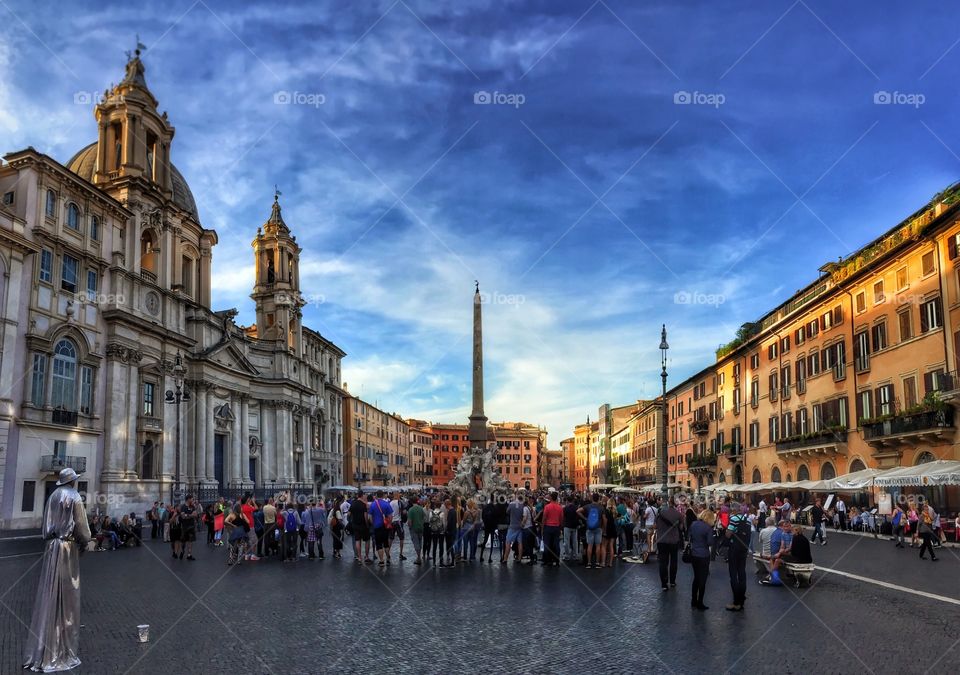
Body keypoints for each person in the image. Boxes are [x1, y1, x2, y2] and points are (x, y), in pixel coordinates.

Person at [23, 468, 92, 673]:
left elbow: (46, 525)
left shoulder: (53, 495)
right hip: (67, 548)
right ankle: (60, 650)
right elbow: (82, 527)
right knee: (68, 596)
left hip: (52, 547)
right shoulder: (74, 497)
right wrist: (85, 541)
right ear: (72, 481)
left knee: (49, 593)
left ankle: (43, 648)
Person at [724, 504, 752, 610]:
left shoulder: (733, 519)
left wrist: (727, 530)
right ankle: (742, 599)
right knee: (742, 573)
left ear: (733, 511)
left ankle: (736, 602)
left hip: (734, 549)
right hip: (744, 549)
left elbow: (728, 534)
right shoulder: (748, 520)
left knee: (733, 574)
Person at [689, 509, 715, 611]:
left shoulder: (693, 524)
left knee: (696, 577)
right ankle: (700, 602)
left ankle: (693, 600)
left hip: (694, 554)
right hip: (704, 555)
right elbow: (710, 542)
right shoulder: (708, 528)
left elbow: (689, 537)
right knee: (702, 579)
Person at [656, 497, 682, 590]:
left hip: (662, 540)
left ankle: (664, 584)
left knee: (663, 562)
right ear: (675, 504)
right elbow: (682, 527)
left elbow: (656, 526)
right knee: (673, 561)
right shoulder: (679, 514)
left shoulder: (660, 513)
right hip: (673, 540)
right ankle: (672, 581)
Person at [577, 493, 605, 568]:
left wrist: (585, 519)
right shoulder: (601, 507)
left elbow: (578, 511)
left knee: (590, 545)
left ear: (592, 498)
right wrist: (603, 527)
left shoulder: (588, 506)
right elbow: (604, 519)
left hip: (589, 528)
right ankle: (597, 563)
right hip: (598, 528)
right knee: (598, 545)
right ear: (598, 499)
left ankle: (589, 563)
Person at [369, 490, 394, 566]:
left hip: (377, 526)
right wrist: (389, 523)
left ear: (376, 495)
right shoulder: (387, 504)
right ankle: (388, 558)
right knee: (386, 543)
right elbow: (390, 516)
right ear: (383, 495)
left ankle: (381, 561)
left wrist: (373, 523)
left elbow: (369, 517)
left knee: (379, 544)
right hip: (385, 527)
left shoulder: (373, 504)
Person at [540, 492, 563, 566]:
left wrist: (542, 528)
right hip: (556, 527)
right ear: (556, 498)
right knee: (556, 544)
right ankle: (557, 561)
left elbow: (544, 518)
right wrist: (560, 528)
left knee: (547, 544)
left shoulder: (547, 507)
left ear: (550, 498)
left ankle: (547, 560)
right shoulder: (560, 507)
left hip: (548, 527)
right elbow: (561, 519)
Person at [504, 494, 526, 564]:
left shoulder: (511, 504)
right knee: (520, 543)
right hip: (520, 526)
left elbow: (507, 512)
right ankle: (519, 558)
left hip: (512, 526)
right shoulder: (523, 505)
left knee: (508, 542)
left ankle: (505, 559)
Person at [350, 494, 372, 564]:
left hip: (355, 525)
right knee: (367, 540)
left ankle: (359, 557)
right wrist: (367, 524)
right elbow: (365, 516)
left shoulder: (353, 504)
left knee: (357, 540)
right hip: (363, 525)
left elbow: (348, 514)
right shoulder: (363, 504)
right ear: (362, 496)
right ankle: (366, 556)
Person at [179, 495, 199, 561]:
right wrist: (191, 515)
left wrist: (187, 515)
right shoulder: (183, 507)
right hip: (185, 527)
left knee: (190, 541)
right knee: (183, 541)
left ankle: (189, 555)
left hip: (191, 526)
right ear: (188, 499)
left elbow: (195, 514)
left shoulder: (192, 506)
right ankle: (182, 551)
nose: (193, 500)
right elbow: (183, 516)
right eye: (192, 499)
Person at [388, 492, 407, 561]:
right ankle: (401, 554)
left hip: (392, 522)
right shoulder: (400, 502)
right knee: (401, 538)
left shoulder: (390, 503)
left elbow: (388, 513)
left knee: (391, 538)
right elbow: (404, 512)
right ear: (397, 495)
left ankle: (388, 553)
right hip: (399, 521)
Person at [479, 498, 498, 563]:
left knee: (485, 541)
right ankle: (490, 558)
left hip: (487, 526)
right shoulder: (494, 508)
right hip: (492, 526)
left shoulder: (485, 507)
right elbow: (496, 517)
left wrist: (484, 523)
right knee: (492, 541)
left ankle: (481, 556)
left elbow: (482, 516)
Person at [407, 497, 425, 565]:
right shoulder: (421, 508)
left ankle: (418, 557)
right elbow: (423, 517)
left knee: (416, 543)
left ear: (411, 502)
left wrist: (410, 527)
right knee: (420, 542)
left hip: (414, 528)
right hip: (421, 527)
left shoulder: (411, 510)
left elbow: (409, 521)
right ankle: (419, 556)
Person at [562, 495, 580, 563]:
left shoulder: (565, 508)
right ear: (572, 500)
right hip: (574, 526)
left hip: (567, 526)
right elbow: (578, 517)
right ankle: (575, 555)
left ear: (567, 501)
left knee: (566, 541)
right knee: (575, 541)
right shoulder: (576, 508)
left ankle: (567, 555)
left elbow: (563, 517)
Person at [602, 498, 619, 568]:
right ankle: (610, 563)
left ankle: (603, 562)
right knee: (611, 546)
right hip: (613, 529)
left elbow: (605, 521)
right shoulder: (615, 511)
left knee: (604, 546)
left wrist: (604, 530)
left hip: (607, 529)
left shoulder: (606, 511)